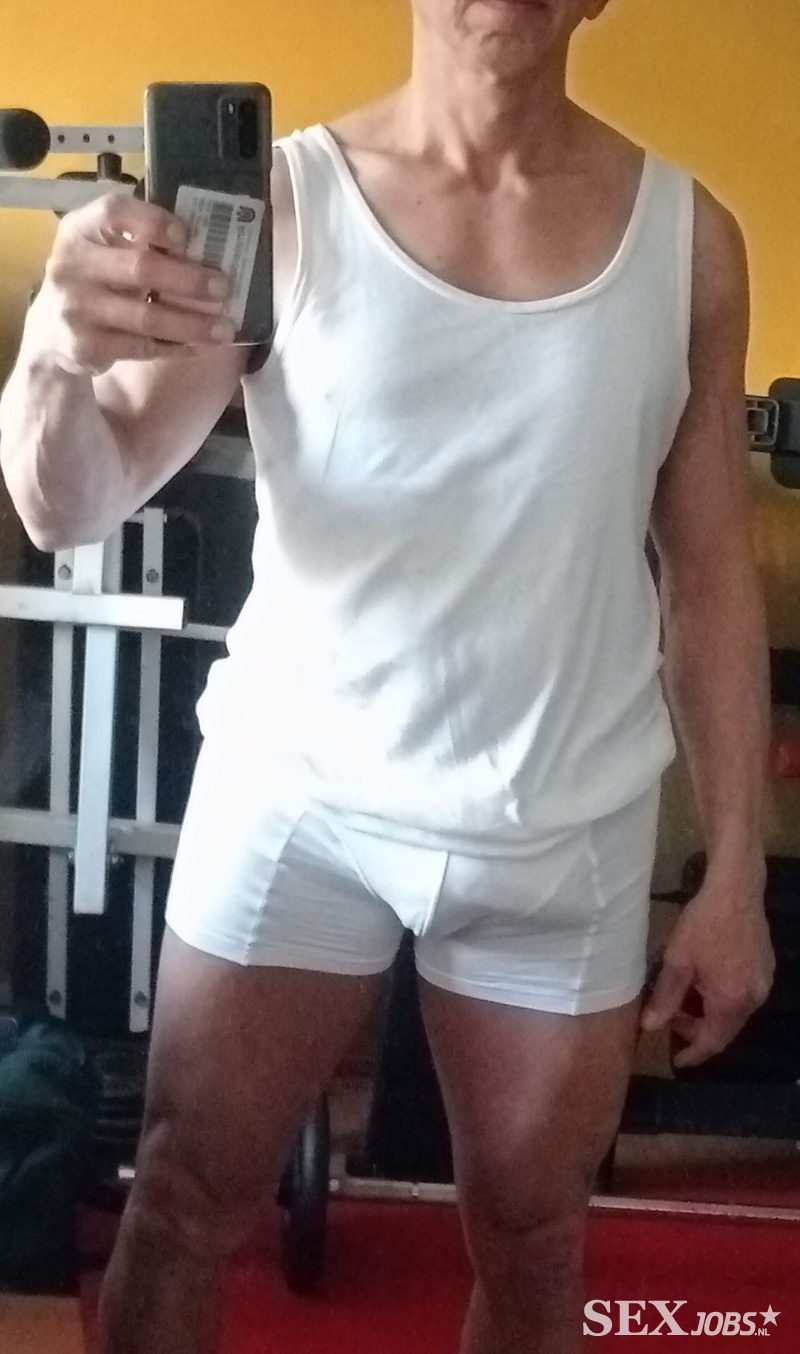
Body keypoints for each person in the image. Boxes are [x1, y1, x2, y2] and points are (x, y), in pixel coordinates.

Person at [0, 1, 776, 1351]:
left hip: (563, 826)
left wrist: (738, 874)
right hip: (303, 801)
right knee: (180, 1199)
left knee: (535, 1240)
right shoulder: (280, 204)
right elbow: (72, 501)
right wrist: (54, 358)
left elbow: (710, 571)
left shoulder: (689, 241)